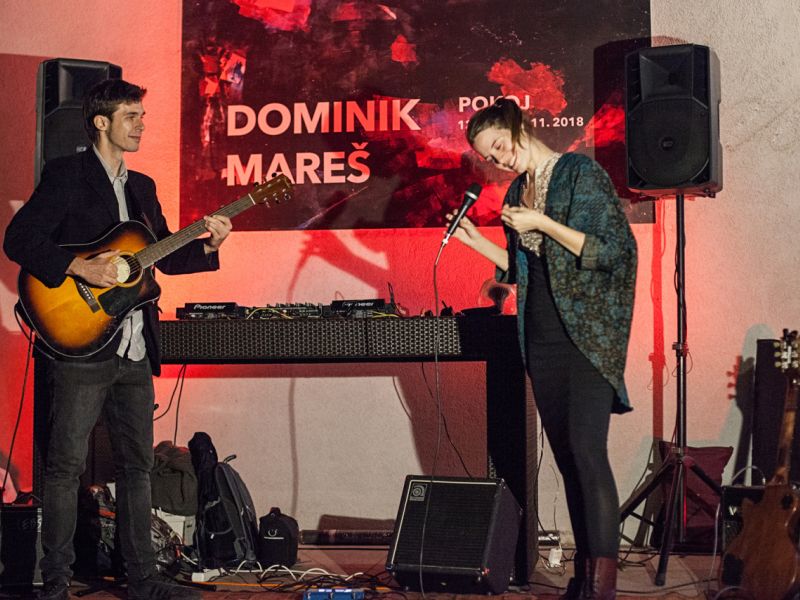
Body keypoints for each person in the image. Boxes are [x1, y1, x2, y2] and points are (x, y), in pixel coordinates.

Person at [4, 79, 232, 600]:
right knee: (64, 467)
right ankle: (55, 581)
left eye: (142, 116)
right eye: (132, 116)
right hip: (81, 345)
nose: (141, 125)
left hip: (133, 346)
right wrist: (82, 267)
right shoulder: (67, 175)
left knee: (138, 467)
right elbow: (19, 239)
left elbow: (163, 256)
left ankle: (143, 578)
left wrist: (209, 246)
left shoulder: (143, 187)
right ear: (101, 122)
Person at [447, 98, 637, 600]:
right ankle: (582, 579)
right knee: (569, 459)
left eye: (498, 146)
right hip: (542, 334)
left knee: (589, 453)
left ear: (516, 127)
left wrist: (543, 223)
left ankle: (602, 587)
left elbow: (612, 250)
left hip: (586, 334)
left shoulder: (578, 173)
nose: (498, 159)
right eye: (488, 156)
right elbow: (523, 268)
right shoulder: (517, 190)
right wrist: (475, 242)